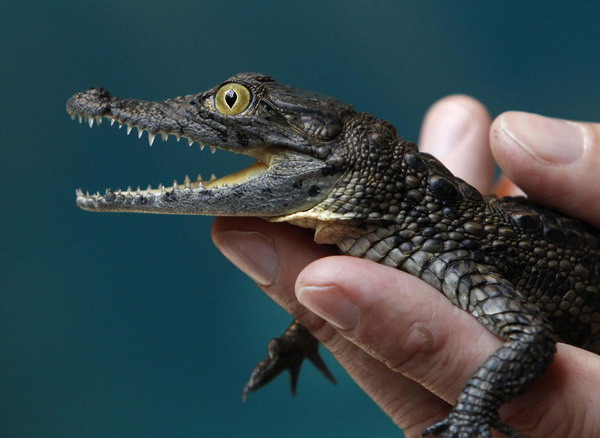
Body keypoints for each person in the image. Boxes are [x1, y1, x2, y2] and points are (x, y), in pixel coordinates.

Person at [211, 95, 600, 437]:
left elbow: (530, 339)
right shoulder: (386, 233)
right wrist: (302, 332)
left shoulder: (456, 245)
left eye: (234, 101)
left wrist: (471, 412)